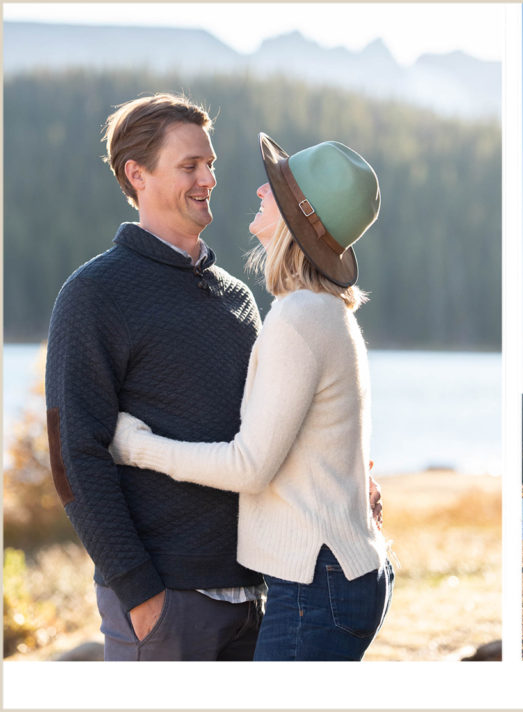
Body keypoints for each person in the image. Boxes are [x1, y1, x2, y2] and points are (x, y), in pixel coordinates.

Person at [110, 132, 393, 661]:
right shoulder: (323, 310)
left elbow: (248, 467)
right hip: (337, 575)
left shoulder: (299, 318)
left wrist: (136, 446)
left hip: (315, 583)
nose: (262, 190)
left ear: (299, 219)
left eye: (278, 189)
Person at [45, 94, 266, 660]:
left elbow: (269, 433)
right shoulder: (95, 294)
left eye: (211, 163)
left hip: (258, 596)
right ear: (136, 175)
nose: (209, 178)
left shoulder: (237, 298)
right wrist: (139, 590)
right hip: (166, 604)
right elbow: (73, 455)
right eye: (189, 166)